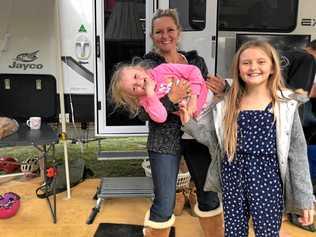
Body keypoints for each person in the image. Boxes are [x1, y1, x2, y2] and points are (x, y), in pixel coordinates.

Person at [180, 40, 315, 237]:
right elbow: (213, 140)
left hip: (268, 181)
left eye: (261, 62)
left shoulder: (284, 105)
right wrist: (188, 123)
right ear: (238, 68)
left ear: (272, 67)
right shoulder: (227, 104)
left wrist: (305, 199)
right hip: (232, 178)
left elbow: (298, 154)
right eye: (246, 62)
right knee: (234, 232)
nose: (253, 67)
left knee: (267, 232)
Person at [134, 8, 225, 237]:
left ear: (179, 32)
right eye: (158, 32)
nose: (165, 36)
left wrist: (223, 90)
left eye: (170, 30)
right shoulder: (147, 67)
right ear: (152, 36)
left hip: (197, 136)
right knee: (164, 204)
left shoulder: (196, 61)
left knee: (209, 196)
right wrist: (170, 100)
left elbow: (207, 100)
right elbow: (141, 113)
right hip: (163, 140)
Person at [110, 62, 212, 123]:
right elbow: (161, 117)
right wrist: (150, 93)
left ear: (140, 69)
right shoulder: (147, 101)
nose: (140, 83)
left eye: (136, 76)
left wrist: (194, 98)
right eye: (134, 88)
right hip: (200, 117)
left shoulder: (162, 70)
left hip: (207, 95)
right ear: (134, 97)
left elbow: (193, 71)